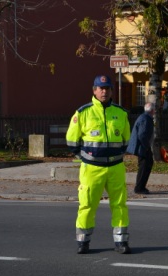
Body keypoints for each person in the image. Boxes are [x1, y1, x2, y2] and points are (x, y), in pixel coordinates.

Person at [66, 75, 131, 255]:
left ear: (111, 91)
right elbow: (72, 141)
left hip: (116, 167)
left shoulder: (121, 112)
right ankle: (83, 242)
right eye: (101, 88)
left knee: (119, 204)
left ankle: (121, 241)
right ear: (94, 90)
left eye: (107, 88)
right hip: (91, 168)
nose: (104, 91)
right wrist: (86, 157)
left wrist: (116, 156)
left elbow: (126, 140)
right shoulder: (83, 112)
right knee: (87, 204)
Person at [127, 102, 155, 195]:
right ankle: (139, 187)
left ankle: (141, 186)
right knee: (144, 167)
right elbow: (142, 135)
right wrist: (146, 146)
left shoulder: (145, 117)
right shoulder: (145, 119)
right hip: (142, 147)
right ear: (152, 110)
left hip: (142, 146)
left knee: (147, 165)